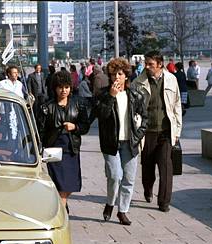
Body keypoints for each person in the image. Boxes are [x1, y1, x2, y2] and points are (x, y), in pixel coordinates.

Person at [94, 58, 148, 225]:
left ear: (126, 76)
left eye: (120, 74)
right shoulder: (104, 94)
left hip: (130, 143)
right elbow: (101, 116)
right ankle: (110, 203)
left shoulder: (135, 95)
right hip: (111, 143)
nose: (116, 77)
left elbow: (145, 119)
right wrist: (111, 96)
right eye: (113, 74)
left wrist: (137, 136)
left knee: (129, 179)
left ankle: (122, 210)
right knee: (115, 176)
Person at [133, 50, 182, 212]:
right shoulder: (138, 83)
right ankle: (148, 190)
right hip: (147, 132)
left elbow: (177, 106)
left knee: (166, 167)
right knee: (147, 168)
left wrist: (177, 131)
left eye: (150, 64)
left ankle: (164, 202)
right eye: (146, 63)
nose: (147, 67)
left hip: (166, 132)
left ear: (160, 64)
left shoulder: (171, 80)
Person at [36, 71, 90, 212]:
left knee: (71, 185)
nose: (63, 90)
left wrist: (75, 127)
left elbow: (85, 126)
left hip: (71, 149)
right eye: (60, 87)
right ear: (55, 88)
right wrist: (38, 149)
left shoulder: (78, 104)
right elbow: (40, 130)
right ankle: (61, 210)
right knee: (59, 184)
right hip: (54, 150)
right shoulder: (47, 107)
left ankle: (61, 204)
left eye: (66, 87)